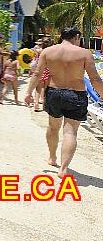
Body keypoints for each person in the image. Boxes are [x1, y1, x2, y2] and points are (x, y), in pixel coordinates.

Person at [25, 27, 103, 178]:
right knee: (70, 132)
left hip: (54, 93)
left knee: (53, 127)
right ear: (76, 37)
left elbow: (37, 73)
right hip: (76, 94)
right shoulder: (84, 53)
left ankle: (52, 158)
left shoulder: (48, 52)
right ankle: (64, 169)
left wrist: (28, 92)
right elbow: (94, 78)